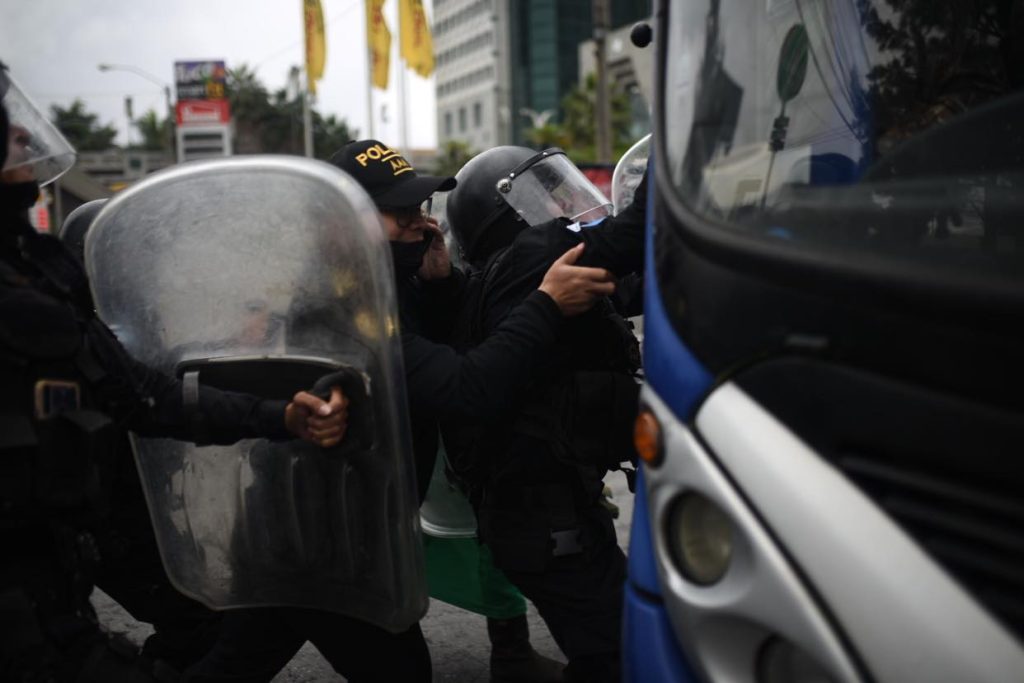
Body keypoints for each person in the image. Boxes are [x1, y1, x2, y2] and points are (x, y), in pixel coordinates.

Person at [0, 63, 348, 682]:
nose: (23, 138)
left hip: (51, 582)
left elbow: (142, 394)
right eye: (5, 128)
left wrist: (280, 417)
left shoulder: (38, 271)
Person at [441, 145, 649, 683]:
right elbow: (630, 238)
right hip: (542, 521)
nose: (559, 205)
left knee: (619, 641)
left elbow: (629, 286)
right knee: (624, 655)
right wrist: (686, 140)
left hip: (551, 510)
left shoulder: (510, 274)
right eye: (543, 194)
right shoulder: (531, 259)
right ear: (504, 216)